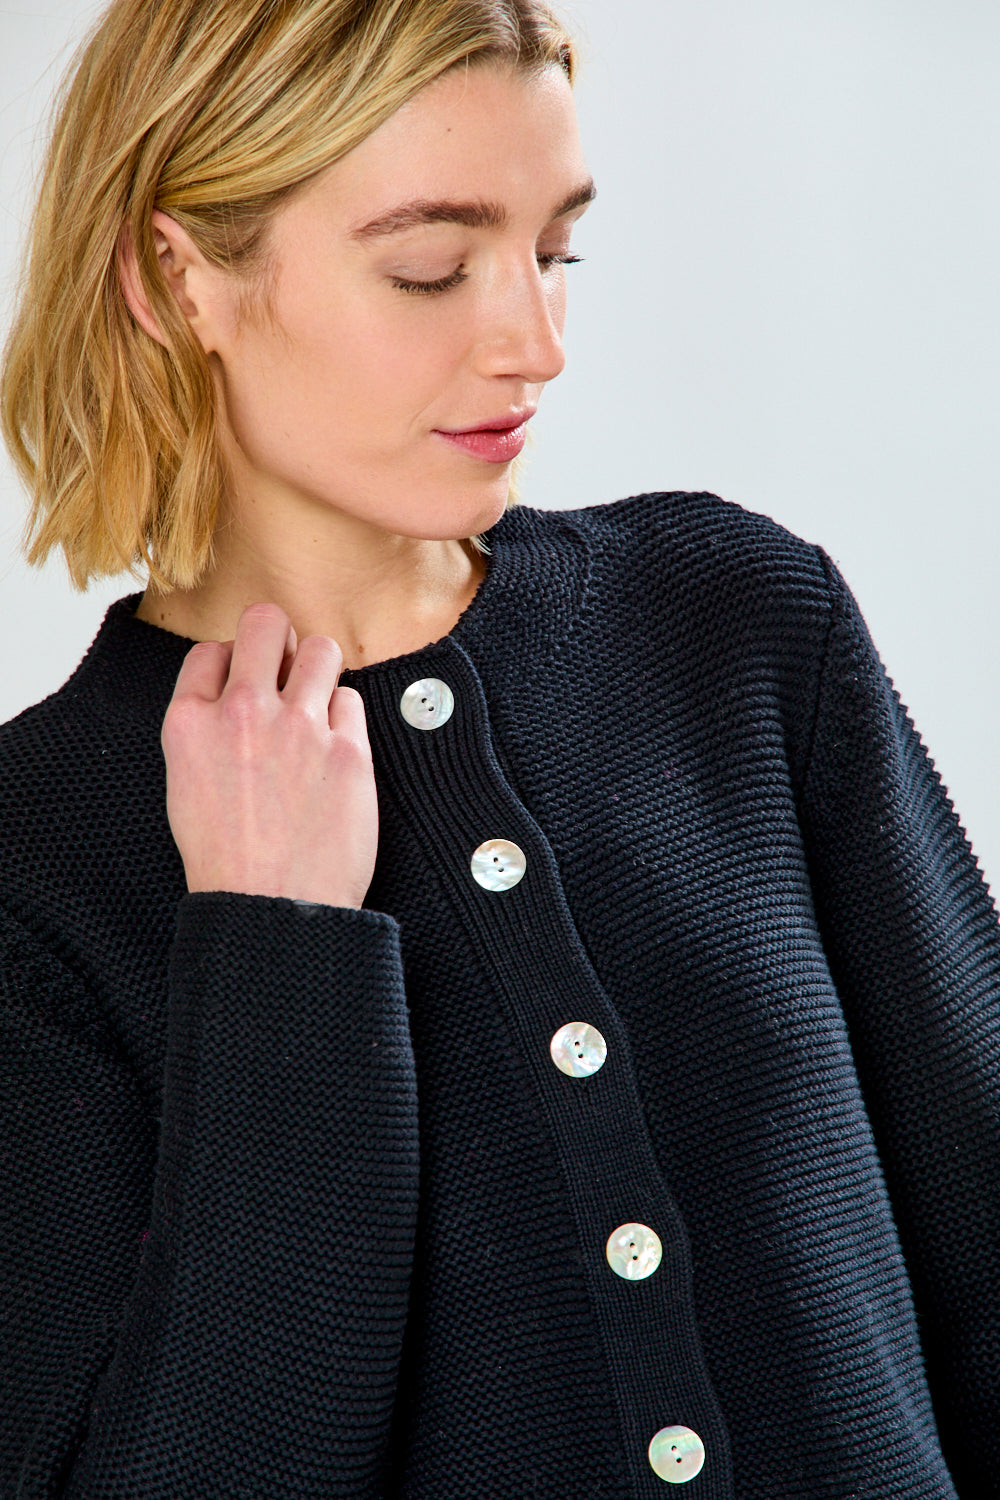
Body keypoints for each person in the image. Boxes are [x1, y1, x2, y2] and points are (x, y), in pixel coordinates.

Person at [1, 0, 998, 1495]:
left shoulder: (737, 624)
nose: (535, 342)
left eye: (558, 252)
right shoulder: (37, 861)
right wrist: (271, 949)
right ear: (175, 277)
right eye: (430, 268)